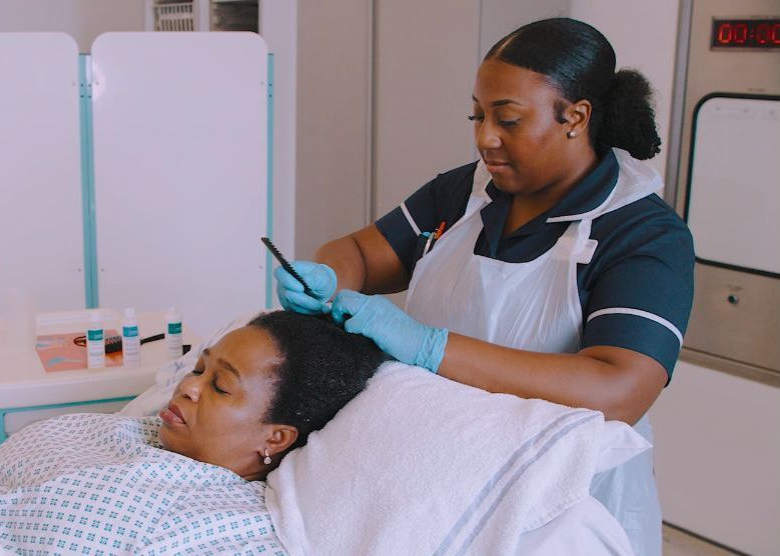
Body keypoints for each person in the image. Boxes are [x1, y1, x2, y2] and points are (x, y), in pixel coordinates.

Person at [275, 17, 693, 556]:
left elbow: (620, 389)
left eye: (508, 120)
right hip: (436, 470)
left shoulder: (642, 233)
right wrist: (330, 277)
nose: (484, 138)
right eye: (477, 115)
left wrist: (432, 349)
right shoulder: (467, 192)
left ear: (576, 116)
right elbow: (360, 251)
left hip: (555, 505)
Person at [0, 310, 387, 555]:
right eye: (199, 369)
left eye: (220, 387)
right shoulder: (129, 433)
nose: (187, 386)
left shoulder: (231, 533)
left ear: (275, 438)